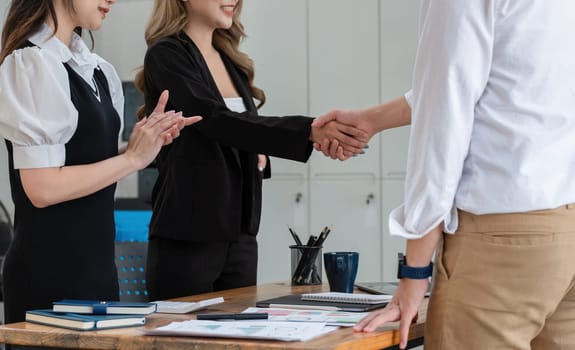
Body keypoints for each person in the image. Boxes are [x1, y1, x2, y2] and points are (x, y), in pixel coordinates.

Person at [313, 1, 575, 349]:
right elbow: (499, 86)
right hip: (565, 233)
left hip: (501, 241)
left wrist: (415, 273)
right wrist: (373, 119)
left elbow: (442, 126)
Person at [134, 0, 368, 300]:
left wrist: (259, 158)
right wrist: (308, 131)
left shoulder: (230, 62)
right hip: (189, 236)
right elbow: (215, 120)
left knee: (240, 341)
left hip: (241, 236)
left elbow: (239, 130)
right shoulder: (167, 54)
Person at [0, 0, 201, 327]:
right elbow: (42, 187)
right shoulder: (31, 63)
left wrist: (145, 142)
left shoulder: (94, 69)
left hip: (99, 274)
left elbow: (88, 161)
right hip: (48, 278)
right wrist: (132, 159)